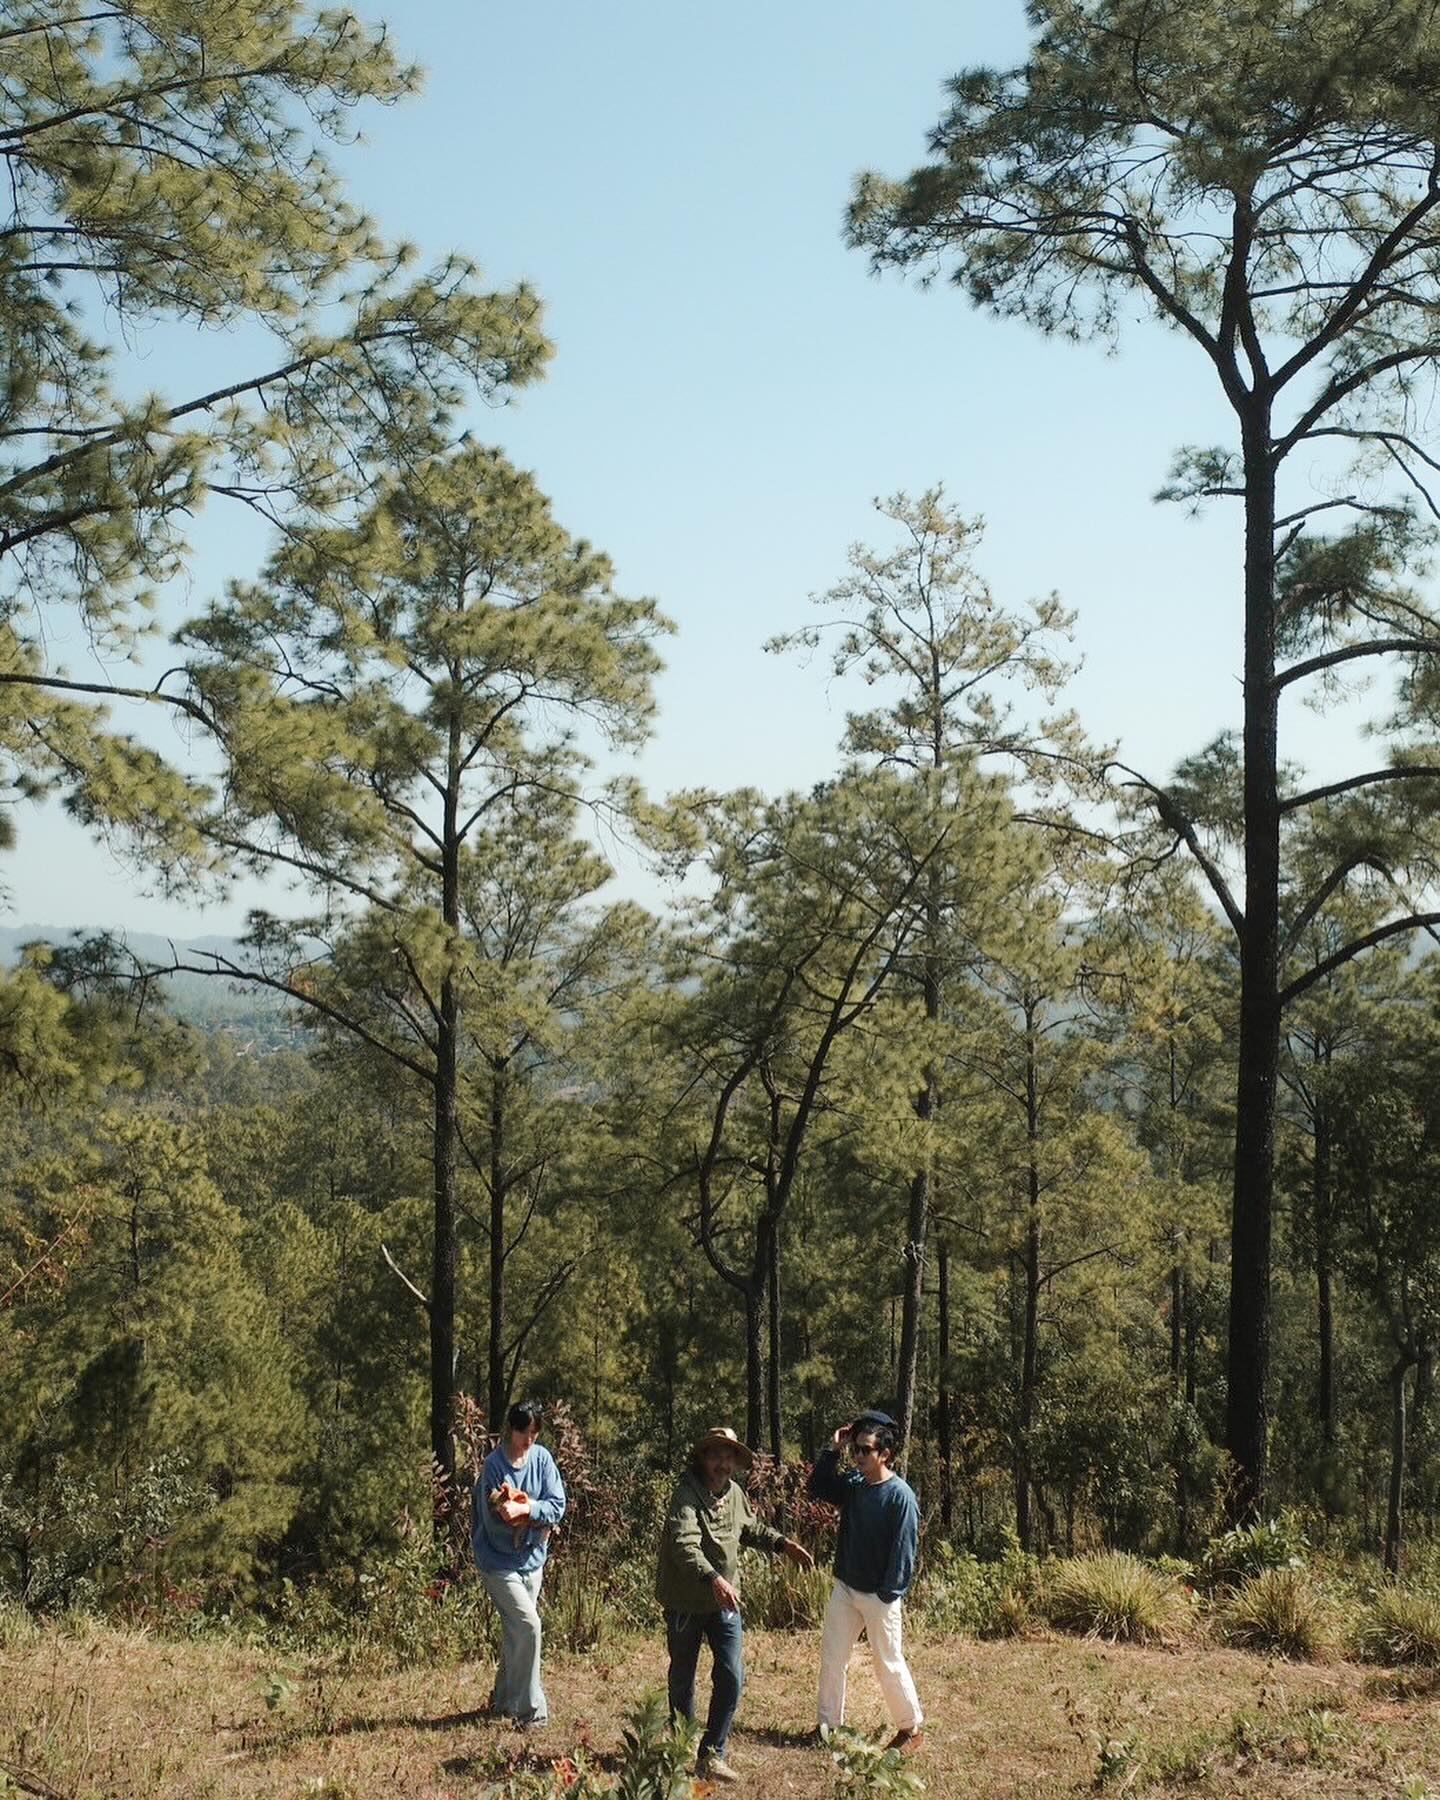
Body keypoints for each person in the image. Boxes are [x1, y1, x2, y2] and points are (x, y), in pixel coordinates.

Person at [656, 1425, 815, 1784]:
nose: (722, 1463)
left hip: (725, 1603)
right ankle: (682, 1746)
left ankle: (712, 1755)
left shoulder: (736, 1494)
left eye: (728, 1456)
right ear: (702, 1458)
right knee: (682, 1678)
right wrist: (714, 1579)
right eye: (716, 1455)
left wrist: (783, 1544)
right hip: (687, 1601)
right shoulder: (686, 1494)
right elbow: (685, 1545)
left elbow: (751, 1528)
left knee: (731, 1674)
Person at [807, 1411, 924, 1754]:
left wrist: (889, 1593)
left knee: (887, 1661)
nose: (858, 1456)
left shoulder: (900, 1496)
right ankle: (828, 1727)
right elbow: (818, 1486)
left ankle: (911, 1729)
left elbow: (905, 1550)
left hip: (880, 1595)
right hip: (846, 1587)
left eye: (865, 1450)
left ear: (884, 1454)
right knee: (833, 1657)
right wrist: (833, 1449)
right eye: (855, 1450)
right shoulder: (855, 1486)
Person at [471, 1399, 567, 1727]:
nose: (529, 1439)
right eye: (524, 1431)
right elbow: (498, 1518)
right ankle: (531, 1712)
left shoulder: (542, 1459)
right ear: (511, 1429)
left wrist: (528, 1510)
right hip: (498, 1562)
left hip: (533, 1560)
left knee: (517, 1634)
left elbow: (557, 1505)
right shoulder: (494, 1466)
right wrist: (531, 1517)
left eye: (535, 1432)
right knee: (529, 1626)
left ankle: (502, 1699)